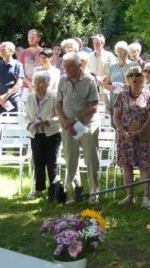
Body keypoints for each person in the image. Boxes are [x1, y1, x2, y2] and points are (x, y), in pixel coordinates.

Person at [56, 52, 101, 204]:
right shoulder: (62, 80)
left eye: (70, 67)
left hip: (86, 124)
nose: (66, 69)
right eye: (65, 66)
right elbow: (58, 103)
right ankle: (74, 192)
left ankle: (95, 193)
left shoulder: (89, 79)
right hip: (69, 125)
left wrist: (74, 119)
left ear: (79, 66)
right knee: (71, 159)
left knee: (90, 159)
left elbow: (94, 105)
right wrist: (64, 122)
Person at [113, 66, 150, 208]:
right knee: (127, 166)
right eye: (131, 75)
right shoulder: (122, 95)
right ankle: (129, 196)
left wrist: (139, 132)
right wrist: (123, 132)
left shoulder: (148, 95)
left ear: (142, 77)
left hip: (142, 135)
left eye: (137, 75)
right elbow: (116, 117)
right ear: (127, 79)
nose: (134, 78)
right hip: (125, 137)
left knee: (144, 167)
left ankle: (146, 196)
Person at [24, 71, 61, 200]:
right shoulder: (30, 97)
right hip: (36, 134)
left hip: (52, 134)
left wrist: (47, 122)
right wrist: (29, 125)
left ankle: (54, 191)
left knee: (52, 162)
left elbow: (61, 116)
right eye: (37, 83)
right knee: (38, 162)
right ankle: (39, 189)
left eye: (43, 83)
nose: (39, 86)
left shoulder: (54, 96)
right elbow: (26, 116)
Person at [0, 42, 24, 117]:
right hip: (0, 100)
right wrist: (0, 97)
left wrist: (6, 95)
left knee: (14, 124)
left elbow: (19, 83)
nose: (1, 52)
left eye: (4, 50)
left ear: (12, 51)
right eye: (0, 50)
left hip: (13, 99)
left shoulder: (18, 65)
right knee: (1, 125)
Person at [87, 34, 117, 112]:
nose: (96, 45)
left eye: (98, 43)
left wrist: (103, 78)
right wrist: (95, 78)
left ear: (103, 43)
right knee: (93, 112)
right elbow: (86, 71)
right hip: (92, 90)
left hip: (105, 90)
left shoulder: (109, 56)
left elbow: (112, 70)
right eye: (94, 43)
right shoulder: (89, 56)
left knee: (106, 112)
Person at [104, 41, 135, 110]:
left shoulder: (133, 66)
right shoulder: (112, 67)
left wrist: (127, 86)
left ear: (127, 52)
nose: (120, 54)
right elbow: (106, 84)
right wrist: (110, 87)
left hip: (129, 99)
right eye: (118, 52)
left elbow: (139, 83)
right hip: (114, 99)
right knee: (115, 119)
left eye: (122, 52)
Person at [19, 29, 42, 94]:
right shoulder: (23, 53)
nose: (30, 39)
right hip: (26, 87)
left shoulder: (43, 52)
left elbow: (46, 69)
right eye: (29, 37)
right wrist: (29, 83)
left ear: (38, 38)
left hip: (40, 86)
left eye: (33, 37)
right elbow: (21, 71)